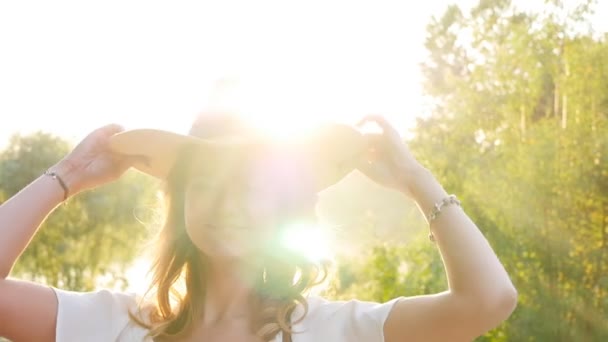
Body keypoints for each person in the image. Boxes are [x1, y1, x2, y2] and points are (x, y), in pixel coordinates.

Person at [0, 112, 517, 342]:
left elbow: (487, 301)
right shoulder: (110, 325)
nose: (228, 202)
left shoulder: (335, 332)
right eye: (205, 183)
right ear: (180, 205)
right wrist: (64, 177)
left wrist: (415, 180)